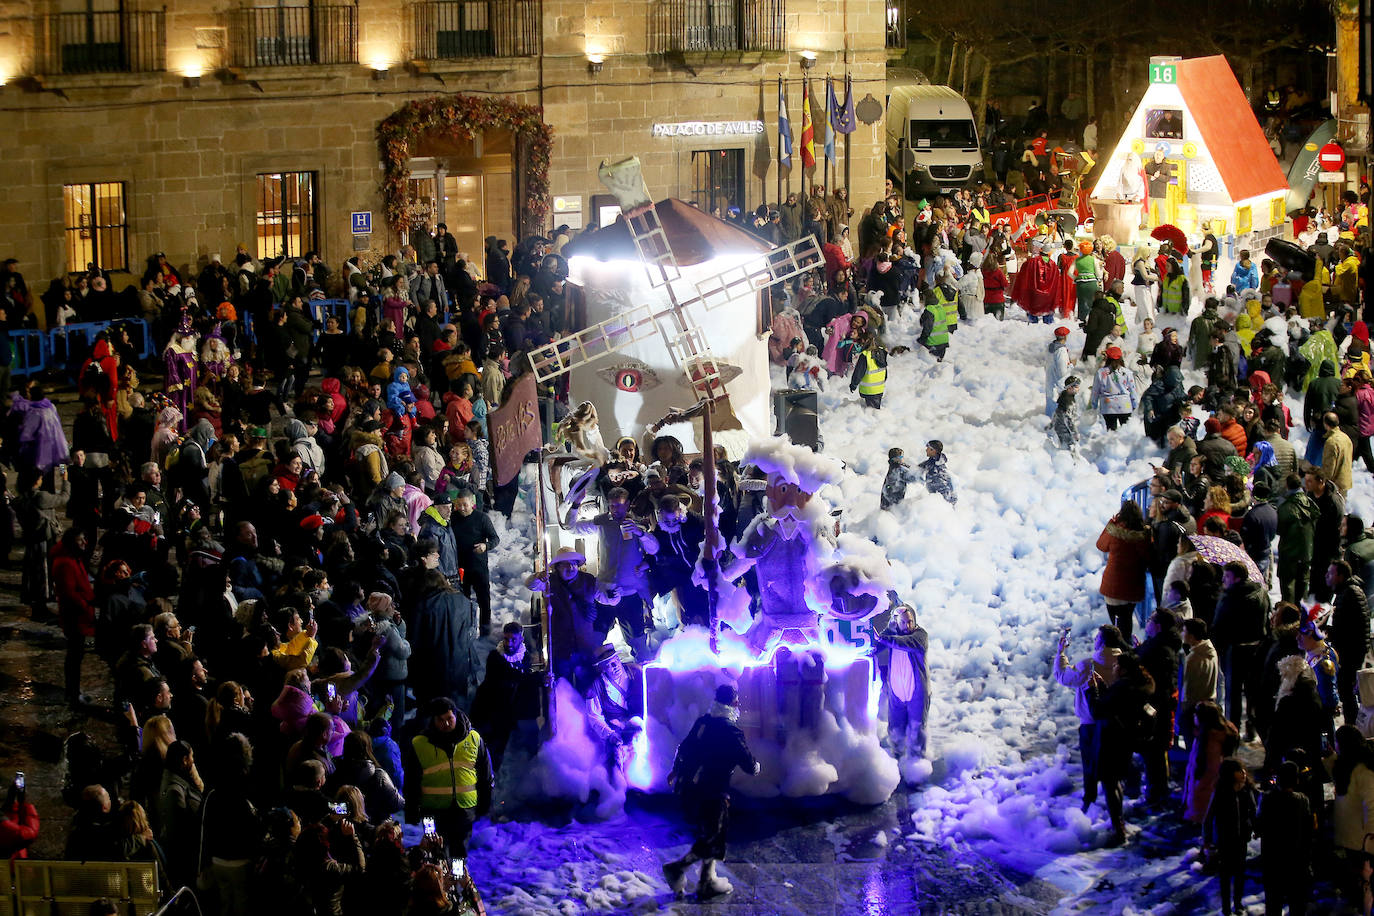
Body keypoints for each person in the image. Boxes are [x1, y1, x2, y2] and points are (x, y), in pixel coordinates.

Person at [661, 684, 760, 900]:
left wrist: (675, 771)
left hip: (692, 788)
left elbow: (684, 748)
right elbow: (748, 764)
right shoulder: (732, 731)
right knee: (713, 834)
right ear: (734, 703)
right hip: (713, 791)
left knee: (713, 832)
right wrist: (756, 767)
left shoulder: (703, 723)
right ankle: (677, 868)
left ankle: (707, 880)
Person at [405, 697, 493, 859]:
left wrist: (485, 804)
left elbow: (485, 775)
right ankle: (440, 880)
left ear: (456, 716)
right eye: (440, 720)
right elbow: (411, 780)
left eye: (449, 719)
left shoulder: (474, 739)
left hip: (464, 809)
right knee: (433, 849)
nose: (446, 724)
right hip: (430, 810)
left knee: (459, 852)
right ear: (433, 720)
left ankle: (459, 881)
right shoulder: (420, 744)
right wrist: (411, 811)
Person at [1054, 625, 1122, 812]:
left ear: (1102, 643)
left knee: (1090, 765)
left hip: (1091, 725)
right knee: (1113, 767)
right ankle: (1117, 807)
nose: (1094, 641)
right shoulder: (1124, 664)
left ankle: (1089, 800)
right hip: (1117, 723)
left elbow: (1063, 677)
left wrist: (1061, 654)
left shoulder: (1088, 665)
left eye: (1097, 638)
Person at [469, 621, 533, 773]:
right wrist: (536, 677)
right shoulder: (495, 657)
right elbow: (511, 676)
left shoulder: (525, 657)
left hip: (507, 711)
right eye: (506, 639)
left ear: (521, 639)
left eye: (513, 640)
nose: (509, 643)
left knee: (499, 747)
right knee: (486, 746)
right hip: (488, 708)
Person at [1203, 758, 1258, 915]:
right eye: (1239, 771)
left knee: (1240, 872)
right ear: (1229, 774)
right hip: (1225, 838)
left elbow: (1253, 811)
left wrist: (1256, 828)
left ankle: (1238, 903)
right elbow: (1208, 817)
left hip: (1242, 837)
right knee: (1225, 874)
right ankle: (1226, 907)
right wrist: (1207, 839)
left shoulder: (1246, 791)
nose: (1243, 773)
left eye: (1243, 770)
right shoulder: (1221, 792)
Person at [875, 603, 929, 758]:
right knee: (895, 730)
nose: (908, 625)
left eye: (910, 621)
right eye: (904, 622)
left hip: (916, 692)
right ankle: (897, 758)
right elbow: (876, 647)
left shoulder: (920, 636)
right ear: (897, 622)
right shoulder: (892, 636)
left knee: (916, 729)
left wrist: (882, 638)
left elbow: (905, 643)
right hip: (897, 692)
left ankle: (917, 768)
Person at [449, 489, 499, 633]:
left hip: (479, 567)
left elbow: (495, 539)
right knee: (462, 601)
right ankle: (465, 630)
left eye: (465, 504)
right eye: (459, 505)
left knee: (484, 600)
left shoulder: (482, 518)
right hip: (459, 568)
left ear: (472, 503)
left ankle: (485, 630)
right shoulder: (453, 518)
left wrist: (485, 546)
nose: (462, 508)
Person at [1328, 559, 1370, 724]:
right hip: (1350, 651)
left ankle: (1352, 726)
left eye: (1330, 574)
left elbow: (1353, 627)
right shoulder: (1346, 591)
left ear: (1340, 575)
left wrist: (1333, 634)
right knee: (1347, 692)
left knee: (1347, 693)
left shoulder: (1350, 592)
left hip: (1350, 654)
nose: (1327, 577)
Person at [1090, 346, 1137, 431]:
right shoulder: (1127, 372)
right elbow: (1132, 389)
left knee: (1111, 431)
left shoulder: (1101, 373)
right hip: (1124, 405)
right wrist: (1134, 404)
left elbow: (1095, 391)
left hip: (1108, 406)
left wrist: (1094, 405)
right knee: (1126, 432)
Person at [848, 333, 887, 408]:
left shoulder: (865, 355)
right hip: (879, 389)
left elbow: (858, 373)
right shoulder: (881, 352)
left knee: (871, 412)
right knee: (875, 410)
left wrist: (853, 385)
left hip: (869, 390)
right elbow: (885, 371)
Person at [1045, 325, 1073, 417]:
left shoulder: (1050, 347)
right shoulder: (1061, 351)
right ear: (1065, 337)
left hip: (1049, 382)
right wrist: (1071, 365)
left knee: (1050, 410)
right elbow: (1062, 372)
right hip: (1059, 386)